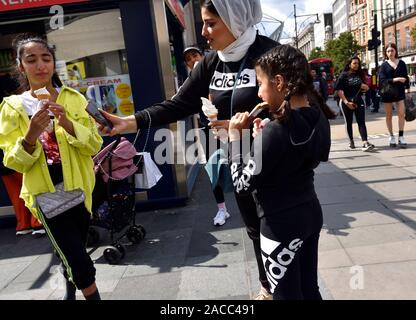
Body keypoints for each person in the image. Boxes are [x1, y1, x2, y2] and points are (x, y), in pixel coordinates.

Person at [100, 0, 277, 300]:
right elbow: (177, 105)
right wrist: (128, 123)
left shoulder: (272, 54)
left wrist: (259, 126)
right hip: (240, 164)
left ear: (234, 19)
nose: (205, 32)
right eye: (203, 23)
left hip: (275, 162)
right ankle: (266, 288)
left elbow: (300, 111)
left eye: (211, 23)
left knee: (278, 231)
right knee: (253, 228)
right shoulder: (211, 63)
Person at [227, 44, 335, 299]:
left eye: (260, 83)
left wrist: (236, 140)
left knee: (286, 295)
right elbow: (303, 155)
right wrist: (261, 142)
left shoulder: (276, 131)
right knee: (309, 290)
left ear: (278, 82)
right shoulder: (317, 116)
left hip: (279, 224)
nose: (258, 91)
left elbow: (241, 184)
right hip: (309, 213)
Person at [0, 34, 103, 300]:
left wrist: (67, 122)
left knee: (74, 249)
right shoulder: (12, 107)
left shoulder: (74, 99)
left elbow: (94, 144)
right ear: (21, 66)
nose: (40, 65)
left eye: (46, 58)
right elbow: (12, 161)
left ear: (54, 63)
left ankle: (69, 288)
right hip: (45, 195)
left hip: (80, 188)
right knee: (81, 262)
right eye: (31, 60)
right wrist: (31, 134)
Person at [182, 46, 231, 226]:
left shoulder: (217, 74)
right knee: (213, 170)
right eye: (188, 58)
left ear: (202, 57)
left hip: (229, 127)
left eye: (195, 55)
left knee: (239, 163)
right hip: (208, 131)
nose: (193, 59)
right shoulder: (190, 82)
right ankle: (222, 210)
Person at [335, 56, 375, 151]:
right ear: (349, 64)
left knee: (361, 121)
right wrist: (346, 102)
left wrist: (365, 87)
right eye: (354, 63)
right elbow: (339, 91)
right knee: (348, 122)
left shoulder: (360, 74)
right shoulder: (343, 75)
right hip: (346, 101)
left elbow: (366, 88)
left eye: (358, 63)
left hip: (358, 100)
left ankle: (365, 142)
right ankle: (351, 141)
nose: (356, 65)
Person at [379, 43, 410, 148]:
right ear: (386, 53)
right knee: (389, 116)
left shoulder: (401, 63)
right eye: (388, 51)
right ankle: (391, 136)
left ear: (395, 51)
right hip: (388, 92)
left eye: (392, 50)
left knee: (401, 113)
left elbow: (406, 77)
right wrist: (396, 79)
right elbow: (382, 81)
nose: (390, 53)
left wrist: (408, 89)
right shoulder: (383, 65)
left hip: (400, 92)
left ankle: (401, 137)